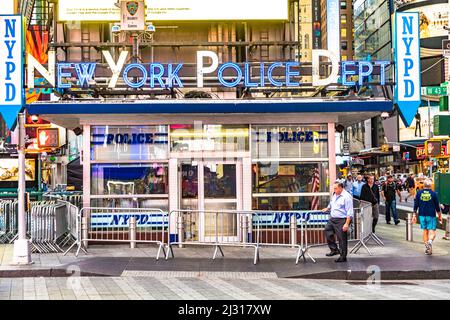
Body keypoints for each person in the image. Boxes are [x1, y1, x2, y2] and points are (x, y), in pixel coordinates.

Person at [322, 181, 353, 263]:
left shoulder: (347, 197)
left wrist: (346, 224)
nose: (334, 189)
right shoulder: (335, 194)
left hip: (342, 220)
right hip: (333, 219)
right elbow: (332, 203)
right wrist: (328, 208)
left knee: (342, 239)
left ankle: (343, 256)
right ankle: (334, 249)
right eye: (334, 188)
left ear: (341, 188)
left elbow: (350, 212)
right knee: (327, 231)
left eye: (335, 188)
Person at [413, 179, 443, 255]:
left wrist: (414, 215)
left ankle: (428, 249)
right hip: (431, 215)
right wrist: (440, 216)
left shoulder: (419, 193)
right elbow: (437, 207)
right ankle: (430, 242)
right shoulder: (433, 194)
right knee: (432, 232)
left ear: (423, 185)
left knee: (425, 231)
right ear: (431, 185)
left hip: (422, 215)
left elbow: (416, 205)